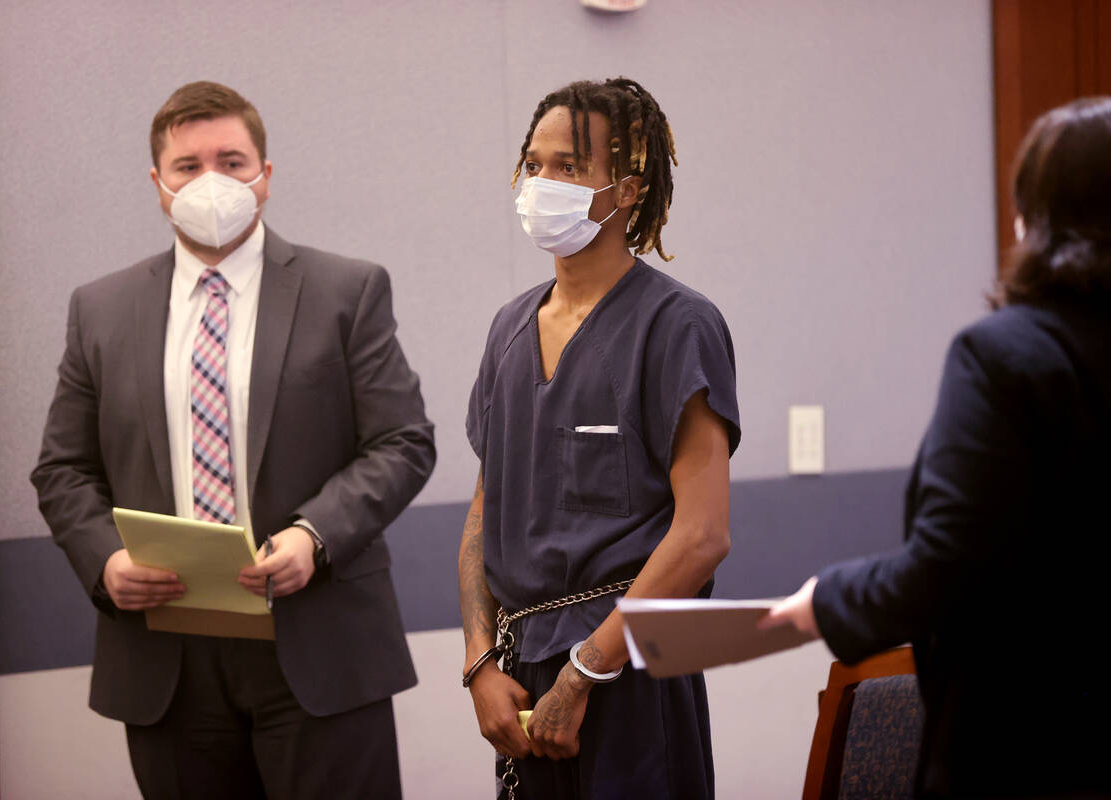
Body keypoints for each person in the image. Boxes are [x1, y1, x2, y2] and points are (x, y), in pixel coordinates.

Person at [31, 81, 435, 799]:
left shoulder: (348, 290)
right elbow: (63, 469)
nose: (211, 180)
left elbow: (403, 441)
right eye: (188, 166)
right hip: (166, 654)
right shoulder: (100, 309)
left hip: (318, 639)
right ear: (158, 184)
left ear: (266, 177)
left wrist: (315, 535)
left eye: (232, 160)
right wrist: (105, 561)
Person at [764, 97, 1111, 799]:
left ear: (1037, 219)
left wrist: (822, 604)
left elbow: (946, 567)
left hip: (1025, 753)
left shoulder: (1006, 355)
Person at [459, 78, 741, 799]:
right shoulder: (508, 329)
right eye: (533, 165)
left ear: (625, 189)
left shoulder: (676, 326)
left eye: (568, 168)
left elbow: (703, 536)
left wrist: (585, 672)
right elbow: (484, 518)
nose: (541, 184)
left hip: (631, 675)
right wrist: (479, 664)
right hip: (520, 679)